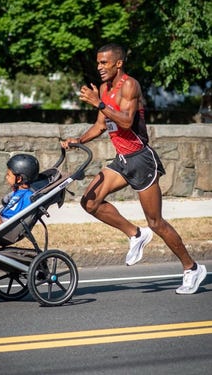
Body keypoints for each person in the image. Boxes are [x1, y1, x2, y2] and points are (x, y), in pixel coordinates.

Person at [61, 43, 207, 294]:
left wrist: (98, 103)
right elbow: (100, 125)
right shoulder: (104, 89)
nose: (99, 67)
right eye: (98, 62)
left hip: (141, 159)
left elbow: (127, 122)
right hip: (122, 159)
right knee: (90, 202)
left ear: (119, 63)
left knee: (156, 222)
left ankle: (191, 268)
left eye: (104, 63)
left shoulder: (129, 85)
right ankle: (135, 234)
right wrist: (79, 140)